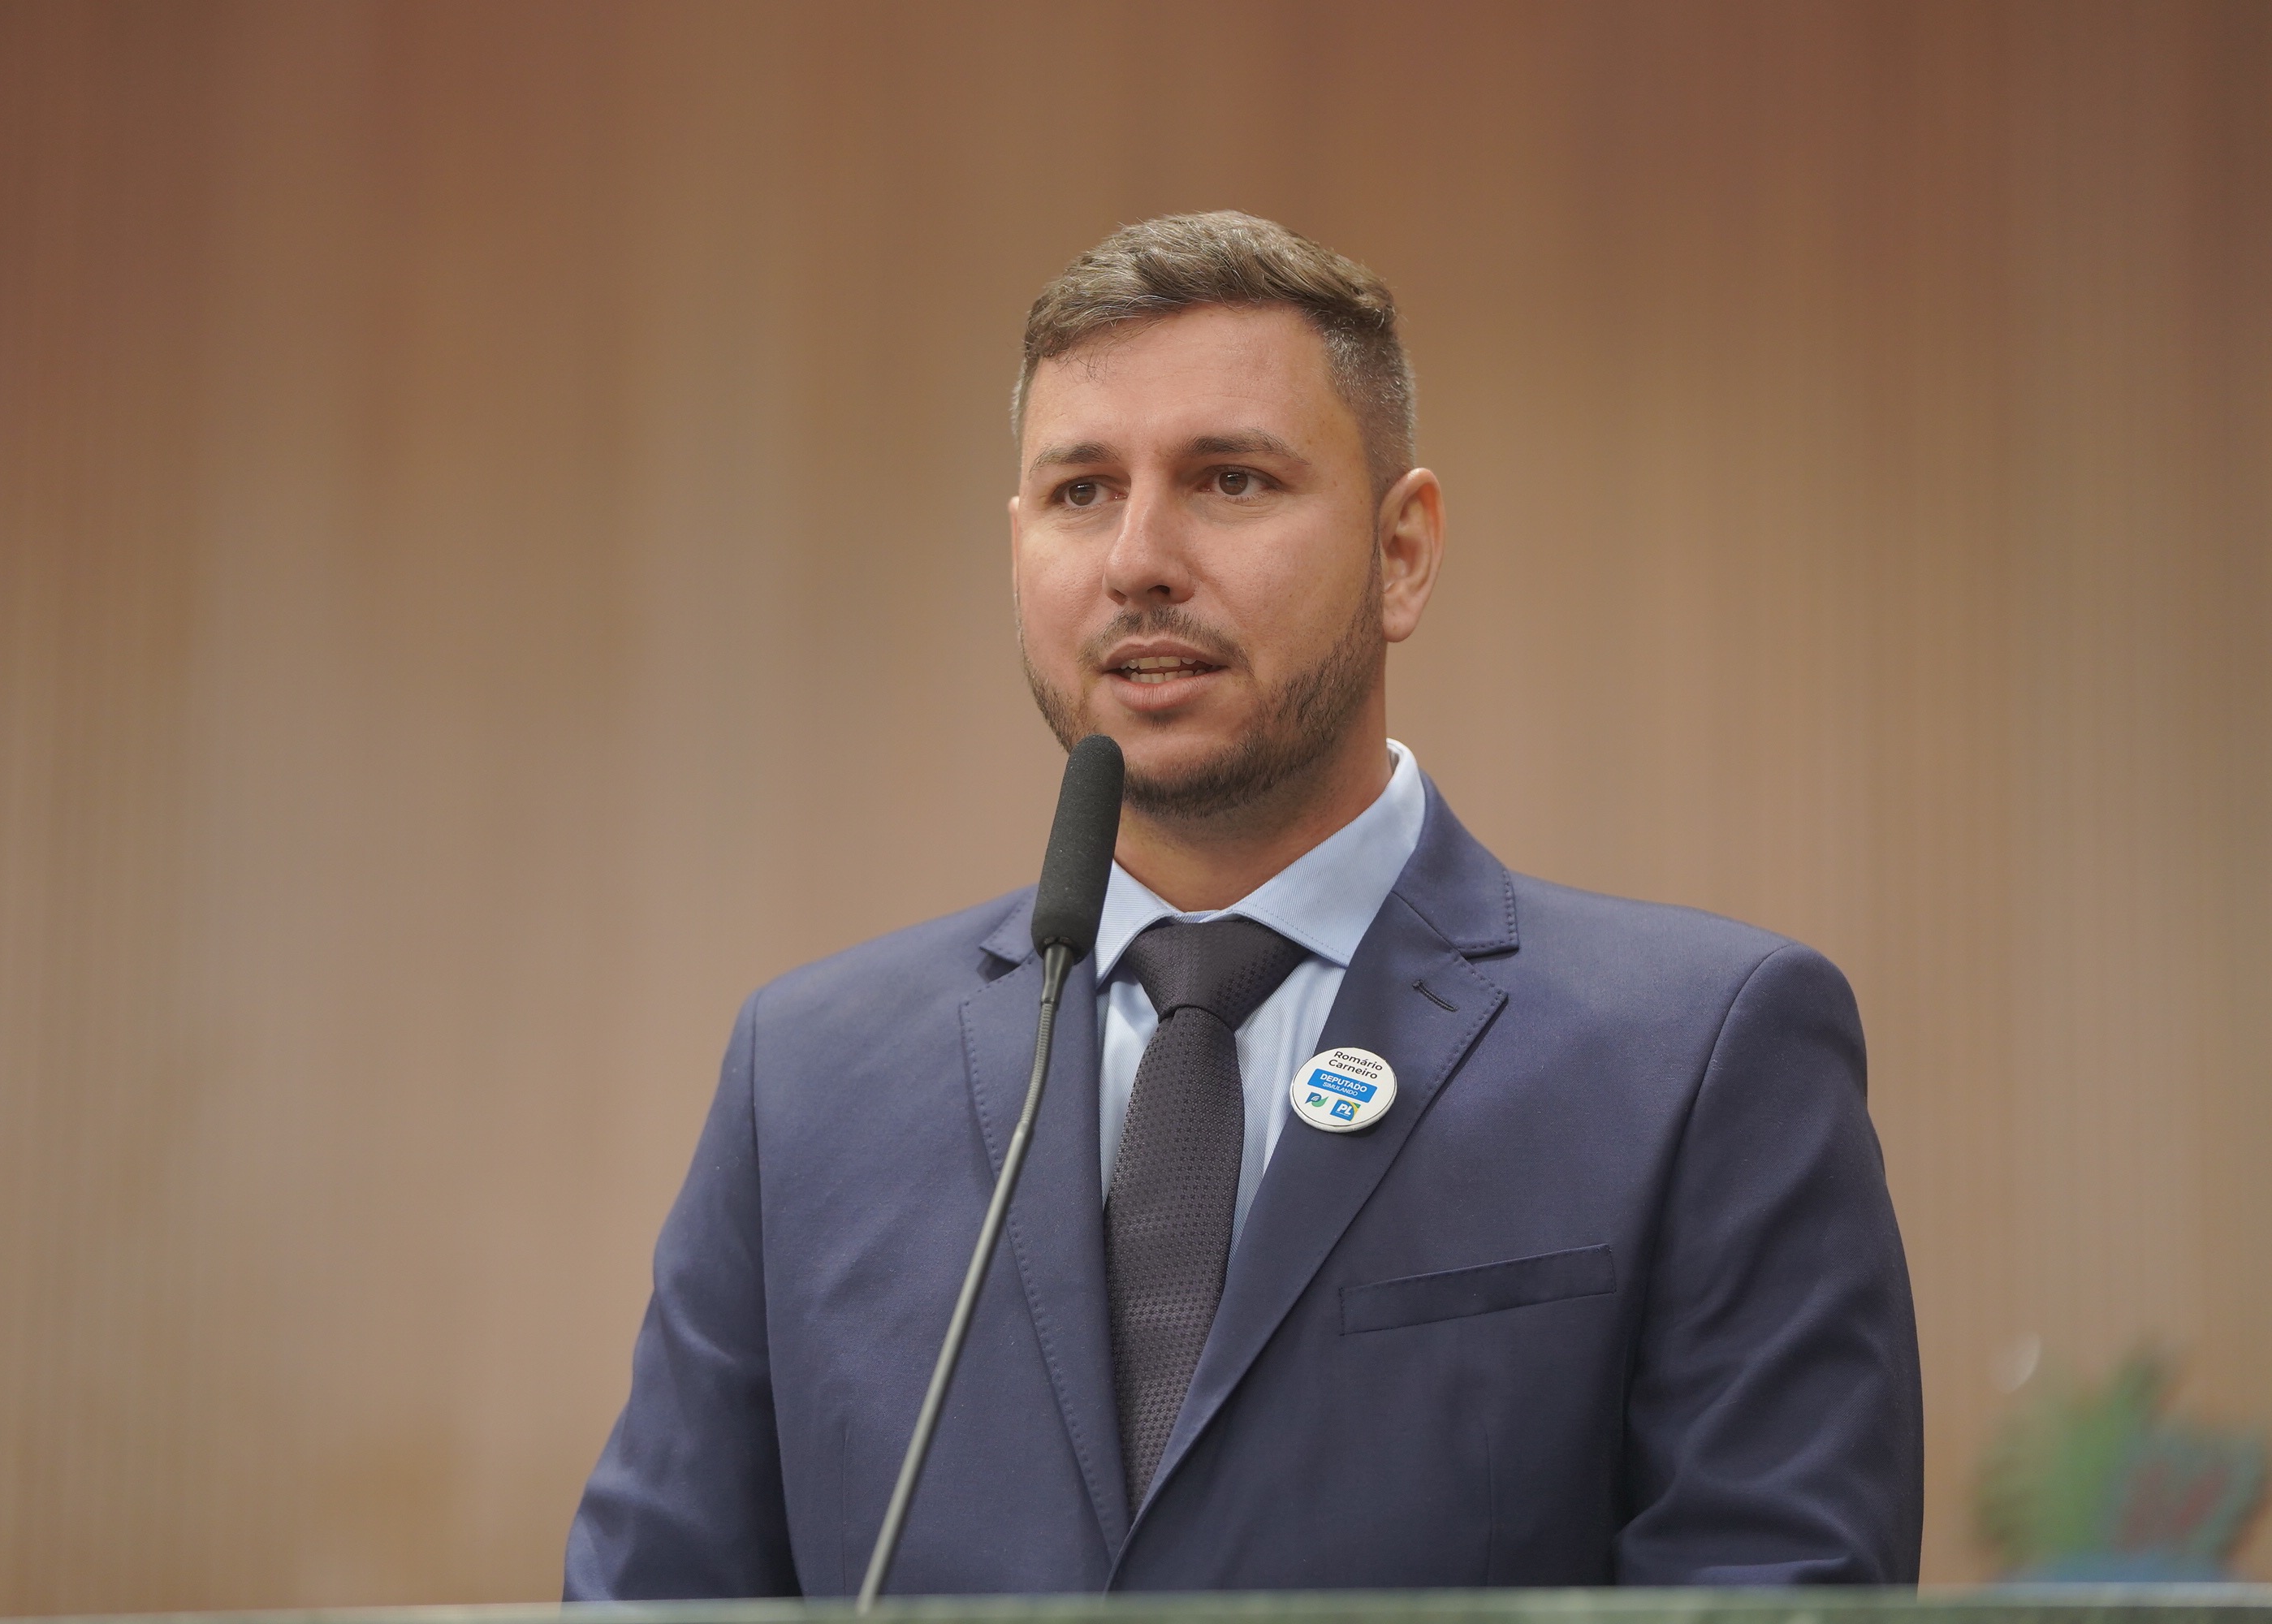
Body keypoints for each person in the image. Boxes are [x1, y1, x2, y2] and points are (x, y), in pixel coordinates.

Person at [564, 212, 1921, 1596]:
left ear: (1403, 553)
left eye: (1229, 481)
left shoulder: (1698, 1058)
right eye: (1081, 492)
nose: (1138, 560)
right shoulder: (806, 1084)